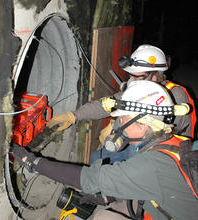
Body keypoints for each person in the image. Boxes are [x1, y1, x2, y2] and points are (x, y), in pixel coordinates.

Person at [12, 80, 198, 220]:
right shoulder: (174, 142)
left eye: (122, 120)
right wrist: (108, 196)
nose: (118, 126)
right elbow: (149, 183)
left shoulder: (153, 165)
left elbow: (90, 179)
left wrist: (32, 161)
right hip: (169, 204)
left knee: (103, 218)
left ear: (142, 125)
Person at [47, 44, 197, 164]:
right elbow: (107, 104)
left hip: (164, 152)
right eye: (131, 76)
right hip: (135, 141)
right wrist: (74, 116)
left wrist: (117, 124)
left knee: (125, 166)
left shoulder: (175, 96)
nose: (132, 81)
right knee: (96, 159)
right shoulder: (138, 88)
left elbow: (157, 132)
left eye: (138, 77)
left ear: (155, 75)